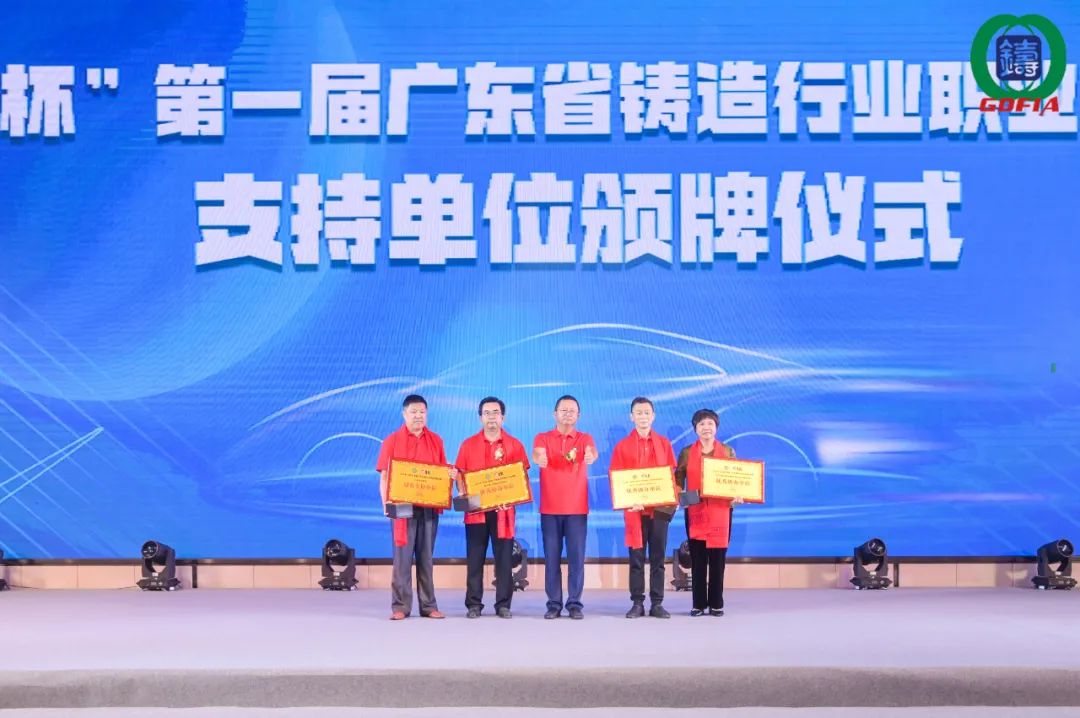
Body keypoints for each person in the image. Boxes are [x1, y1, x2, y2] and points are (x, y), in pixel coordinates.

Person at [376, 394, 454, 621]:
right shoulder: (391, 440)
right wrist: (386, 505)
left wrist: (449, 475)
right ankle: (400, 606)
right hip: (402, 509)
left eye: (422, 412)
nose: (418, 416)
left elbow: (441, 473)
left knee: (426, 557)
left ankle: (428, 605)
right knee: (402, 559)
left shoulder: (436, 440)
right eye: (413, 412)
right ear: (404, 414)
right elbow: (384, 476)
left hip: (429, 507)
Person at [454, 396, 531, 619]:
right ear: (480, 417)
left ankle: (503, 604)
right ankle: (473, 604)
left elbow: (521, 477)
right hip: (476, 513)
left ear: (503, 417)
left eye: (495, 413)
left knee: (504, 560)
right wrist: (463, 493)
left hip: (503, 513)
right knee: (474, 559)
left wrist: (513, 497)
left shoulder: (515, 445)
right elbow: (460, 475)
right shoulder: (468, 444)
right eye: (486, 413)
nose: (491, 417)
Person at [608, 397, 677, 619]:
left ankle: (657, 603)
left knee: (658, 558)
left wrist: (670, 500)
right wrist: (629, 500)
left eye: (647, 412)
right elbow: (616, 479)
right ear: (632, 417)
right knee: (636, 559)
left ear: (653, 416)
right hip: (635, 511)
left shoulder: (664, 444)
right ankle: (637, 602)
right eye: (639, 413)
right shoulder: (622, 446)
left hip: (659, 510)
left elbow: (670, 477)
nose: (643, 416)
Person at [533, 395, 598, 620]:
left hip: (576, 509)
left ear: (578, 415)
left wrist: (590, 456)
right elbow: (537, 453)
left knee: (576, 559)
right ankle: (553, 604)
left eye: (572, 411)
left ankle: (574, 604)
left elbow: (592, 452)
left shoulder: (584, 438)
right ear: (555, 414)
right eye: (564, 410)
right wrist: (540, 458)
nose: (568, 414)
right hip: (550, 509)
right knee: (551, 559)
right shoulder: (542, 437)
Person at [675, 408, 741, 616]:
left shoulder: (728, 451)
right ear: (695, 428)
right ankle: (698, 604)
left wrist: (738, 496)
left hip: (721, 510)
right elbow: (678, 478)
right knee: (698, 559)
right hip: (696, 510)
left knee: (718, 559)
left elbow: (736, 479)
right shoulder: (687, 452)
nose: (706, 427)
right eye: (701, 424)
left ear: (716, 427)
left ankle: (716, 603)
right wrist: (680, 496)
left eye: (710, 423)